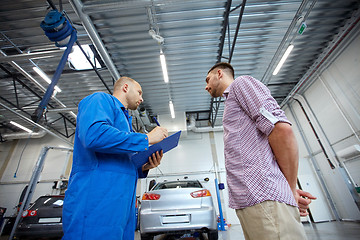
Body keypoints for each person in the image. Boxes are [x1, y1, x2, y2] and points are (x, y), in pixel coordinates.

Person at [205, 62, 316, 240]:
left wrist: (290, 190)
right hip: (251, 201)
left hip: (264, 196)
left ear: (219, 74)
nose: (206, 86)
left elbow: (281, 130)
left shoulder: (241, 84)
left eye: (208, 79)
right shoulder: (232, 102)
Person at [62, 76, 168, 240]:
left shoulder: (127, 124)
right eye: (139, 92)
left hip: (122, 206)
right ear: (125, 87)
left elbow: (121, 160)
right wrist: (146, 139)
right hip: (96, 200)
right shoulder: (100, 99)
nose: (141, 98)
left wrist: (144, 166)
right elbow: (93, 135)